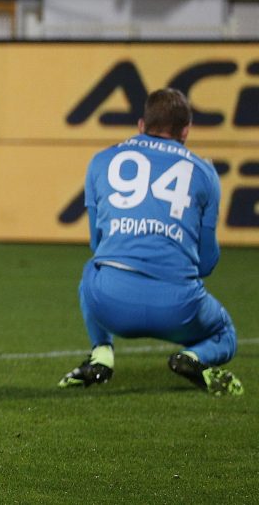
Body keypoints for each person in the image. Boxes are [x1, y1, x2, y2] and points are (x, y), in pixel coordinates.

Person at [58, 87, 242, 396]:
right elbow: (207, 261)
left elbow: (96, 243)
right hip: (176, 307)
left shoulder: (101, 161)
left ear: (142, 125)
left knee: (94, 267)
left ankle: (102, 354)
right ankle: (191, 357)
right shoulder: (204, 173)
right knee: (226, 334)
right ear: (186, 130)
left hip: (109, 304)